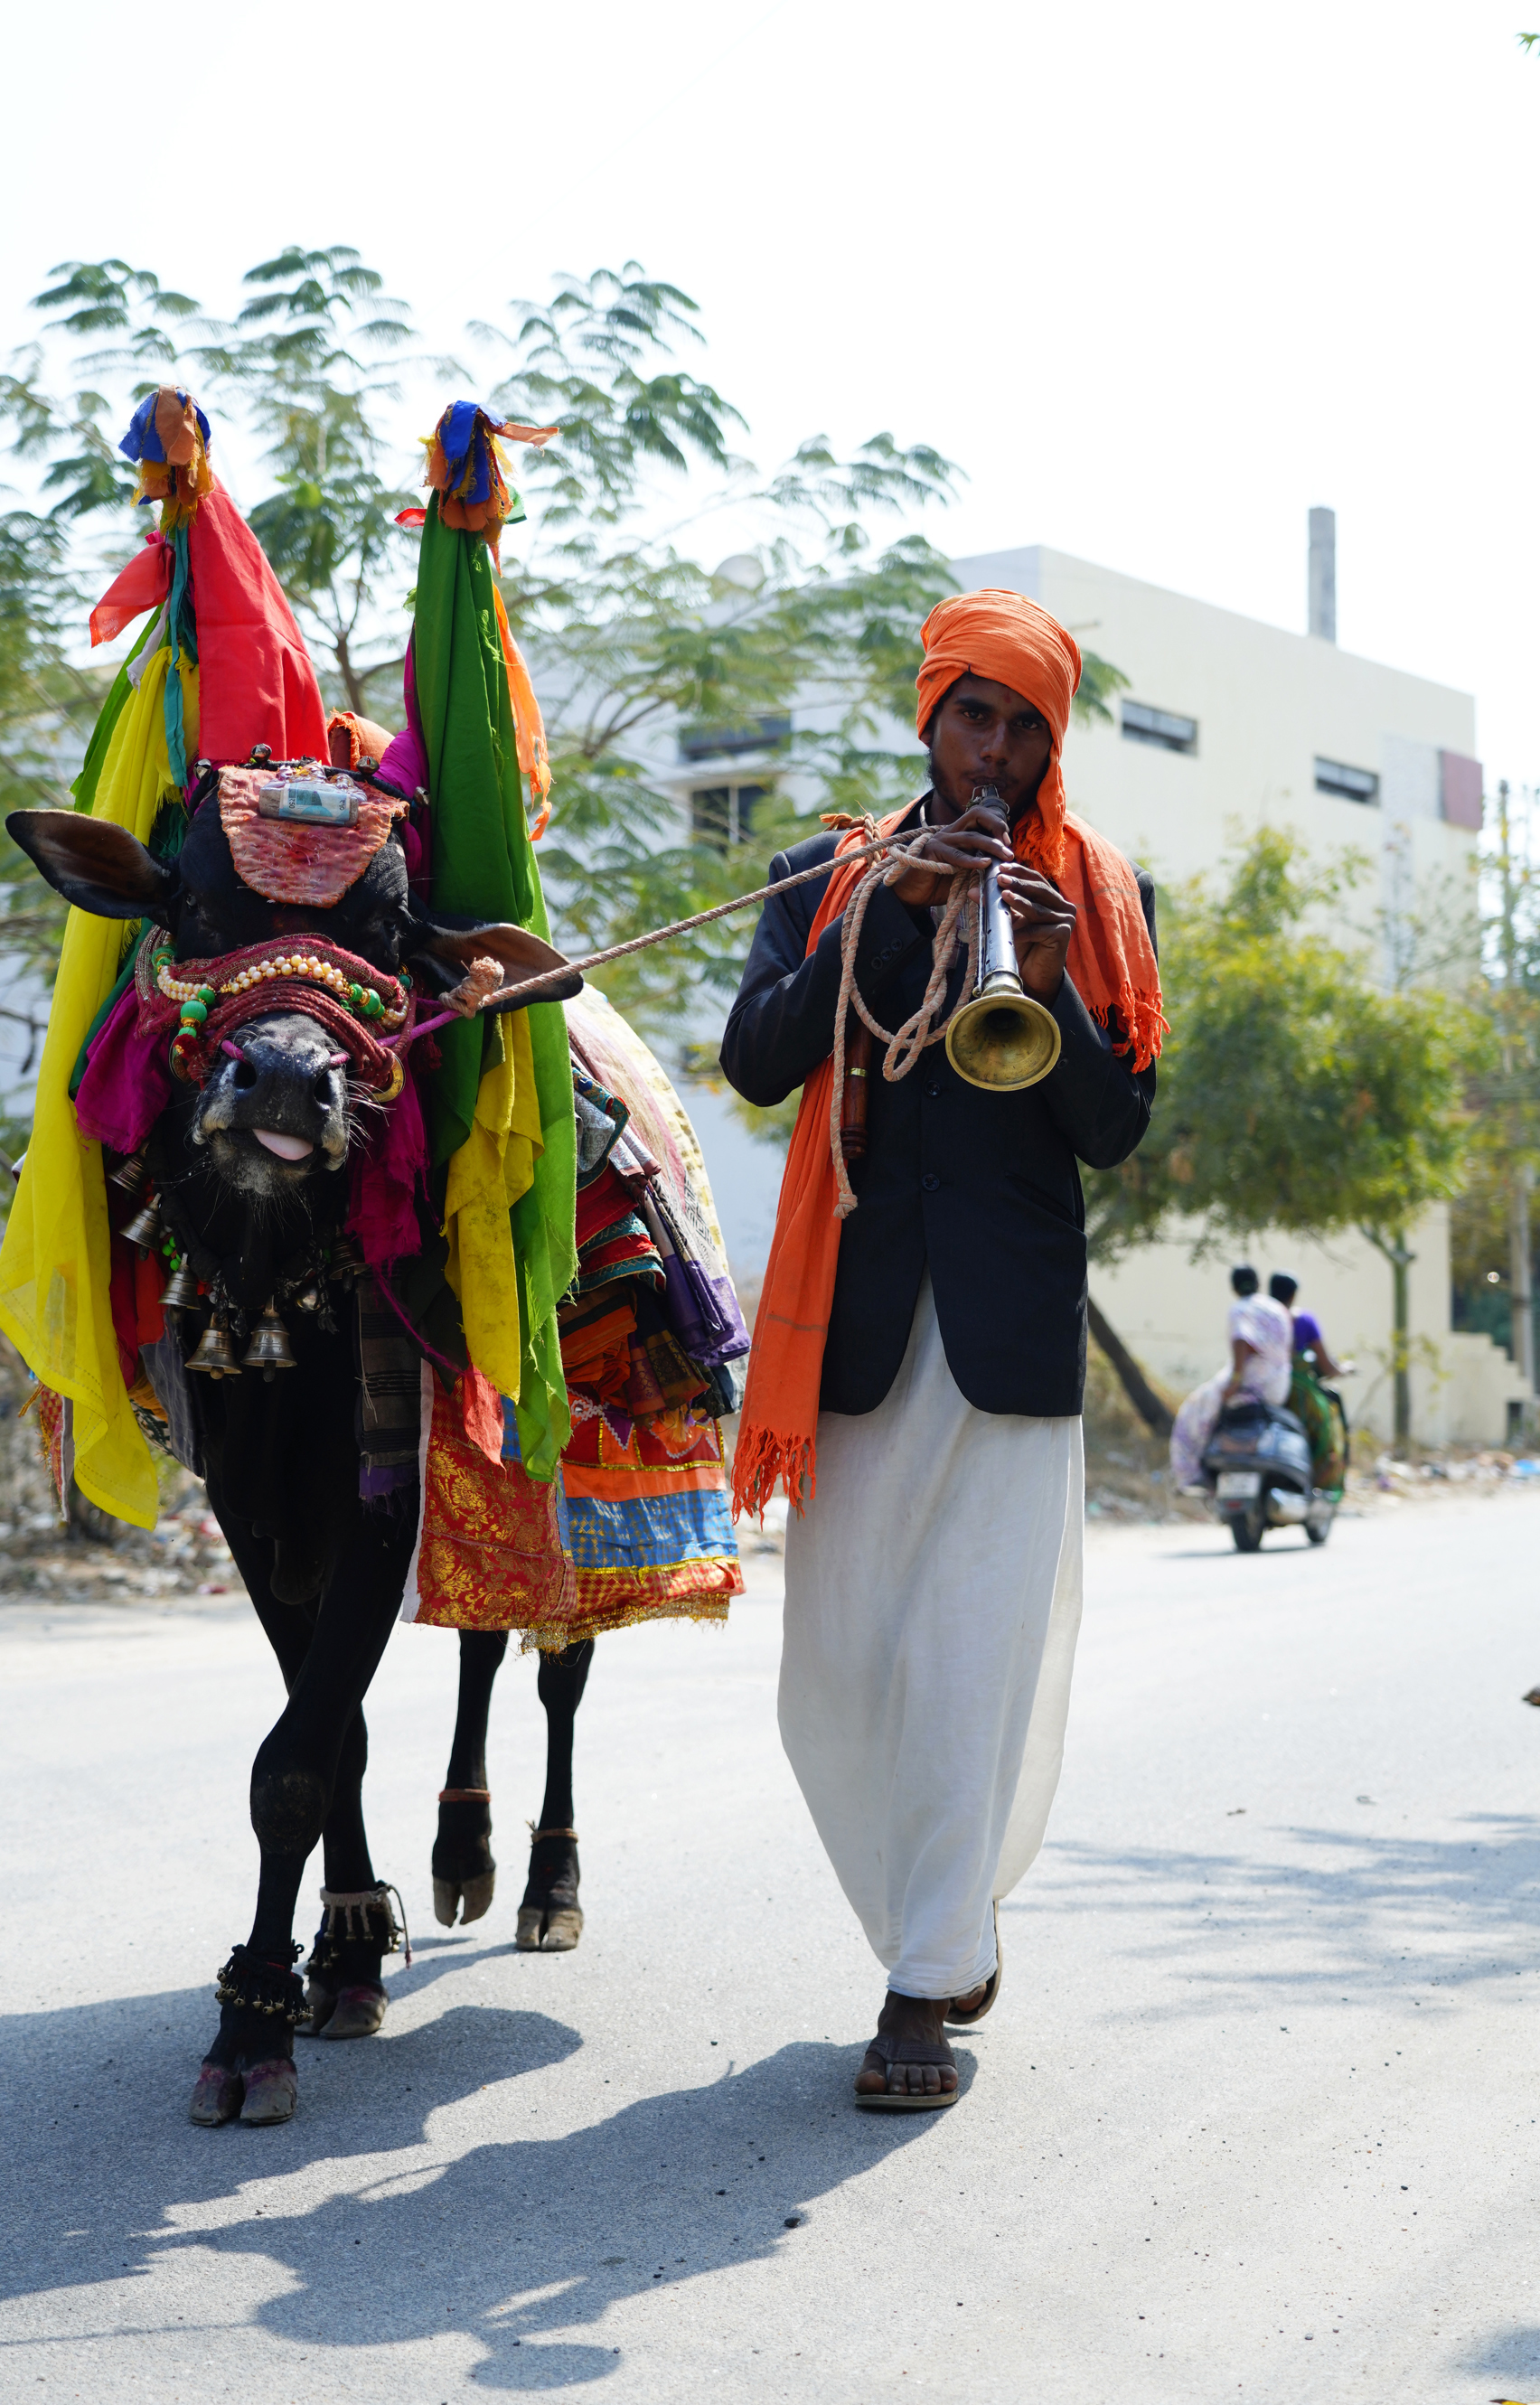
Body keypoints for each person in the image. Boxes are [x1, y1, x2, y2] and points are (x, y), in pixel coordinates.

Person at [721, 587, 1163, 2111]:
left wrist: (1049, 998)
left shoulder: (1097, 895)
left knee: (969, 1662)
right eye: (980, 715)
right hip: (849, 1327)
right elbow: (757, 1057)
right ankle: (941, 1918)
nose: (1002, 751)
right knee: (838, 1673)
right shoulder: (827, 875)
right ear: (932, 715)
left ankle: (921, 1980)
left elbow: (1111, 1132)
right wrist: (883, 914)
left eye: (1030, 728)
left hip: (1010, 1339)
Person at [1168, 1265, 1294, 1491]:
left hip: (1251, 1386)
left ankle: (1191, 1474)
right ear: (1258, 1283)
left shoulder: (1240, 1310)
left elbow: (1241, 1341)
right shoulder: (1277, 1308)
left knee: (1194, 1411)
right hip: (1279, 1386)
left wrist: (1234, 1382)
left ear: (1234, 1287)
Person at [1269, 1270, 1348, 1492]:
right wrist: (1341, 1369)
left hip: (1263, 1388)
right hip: (1296, 1393)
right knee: (1326, 1427)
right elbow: (1326, 1366)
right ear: (1293, 1295)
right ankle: (1323, 1482)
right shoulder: (1302, 1320)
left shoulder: (1260, 1319)